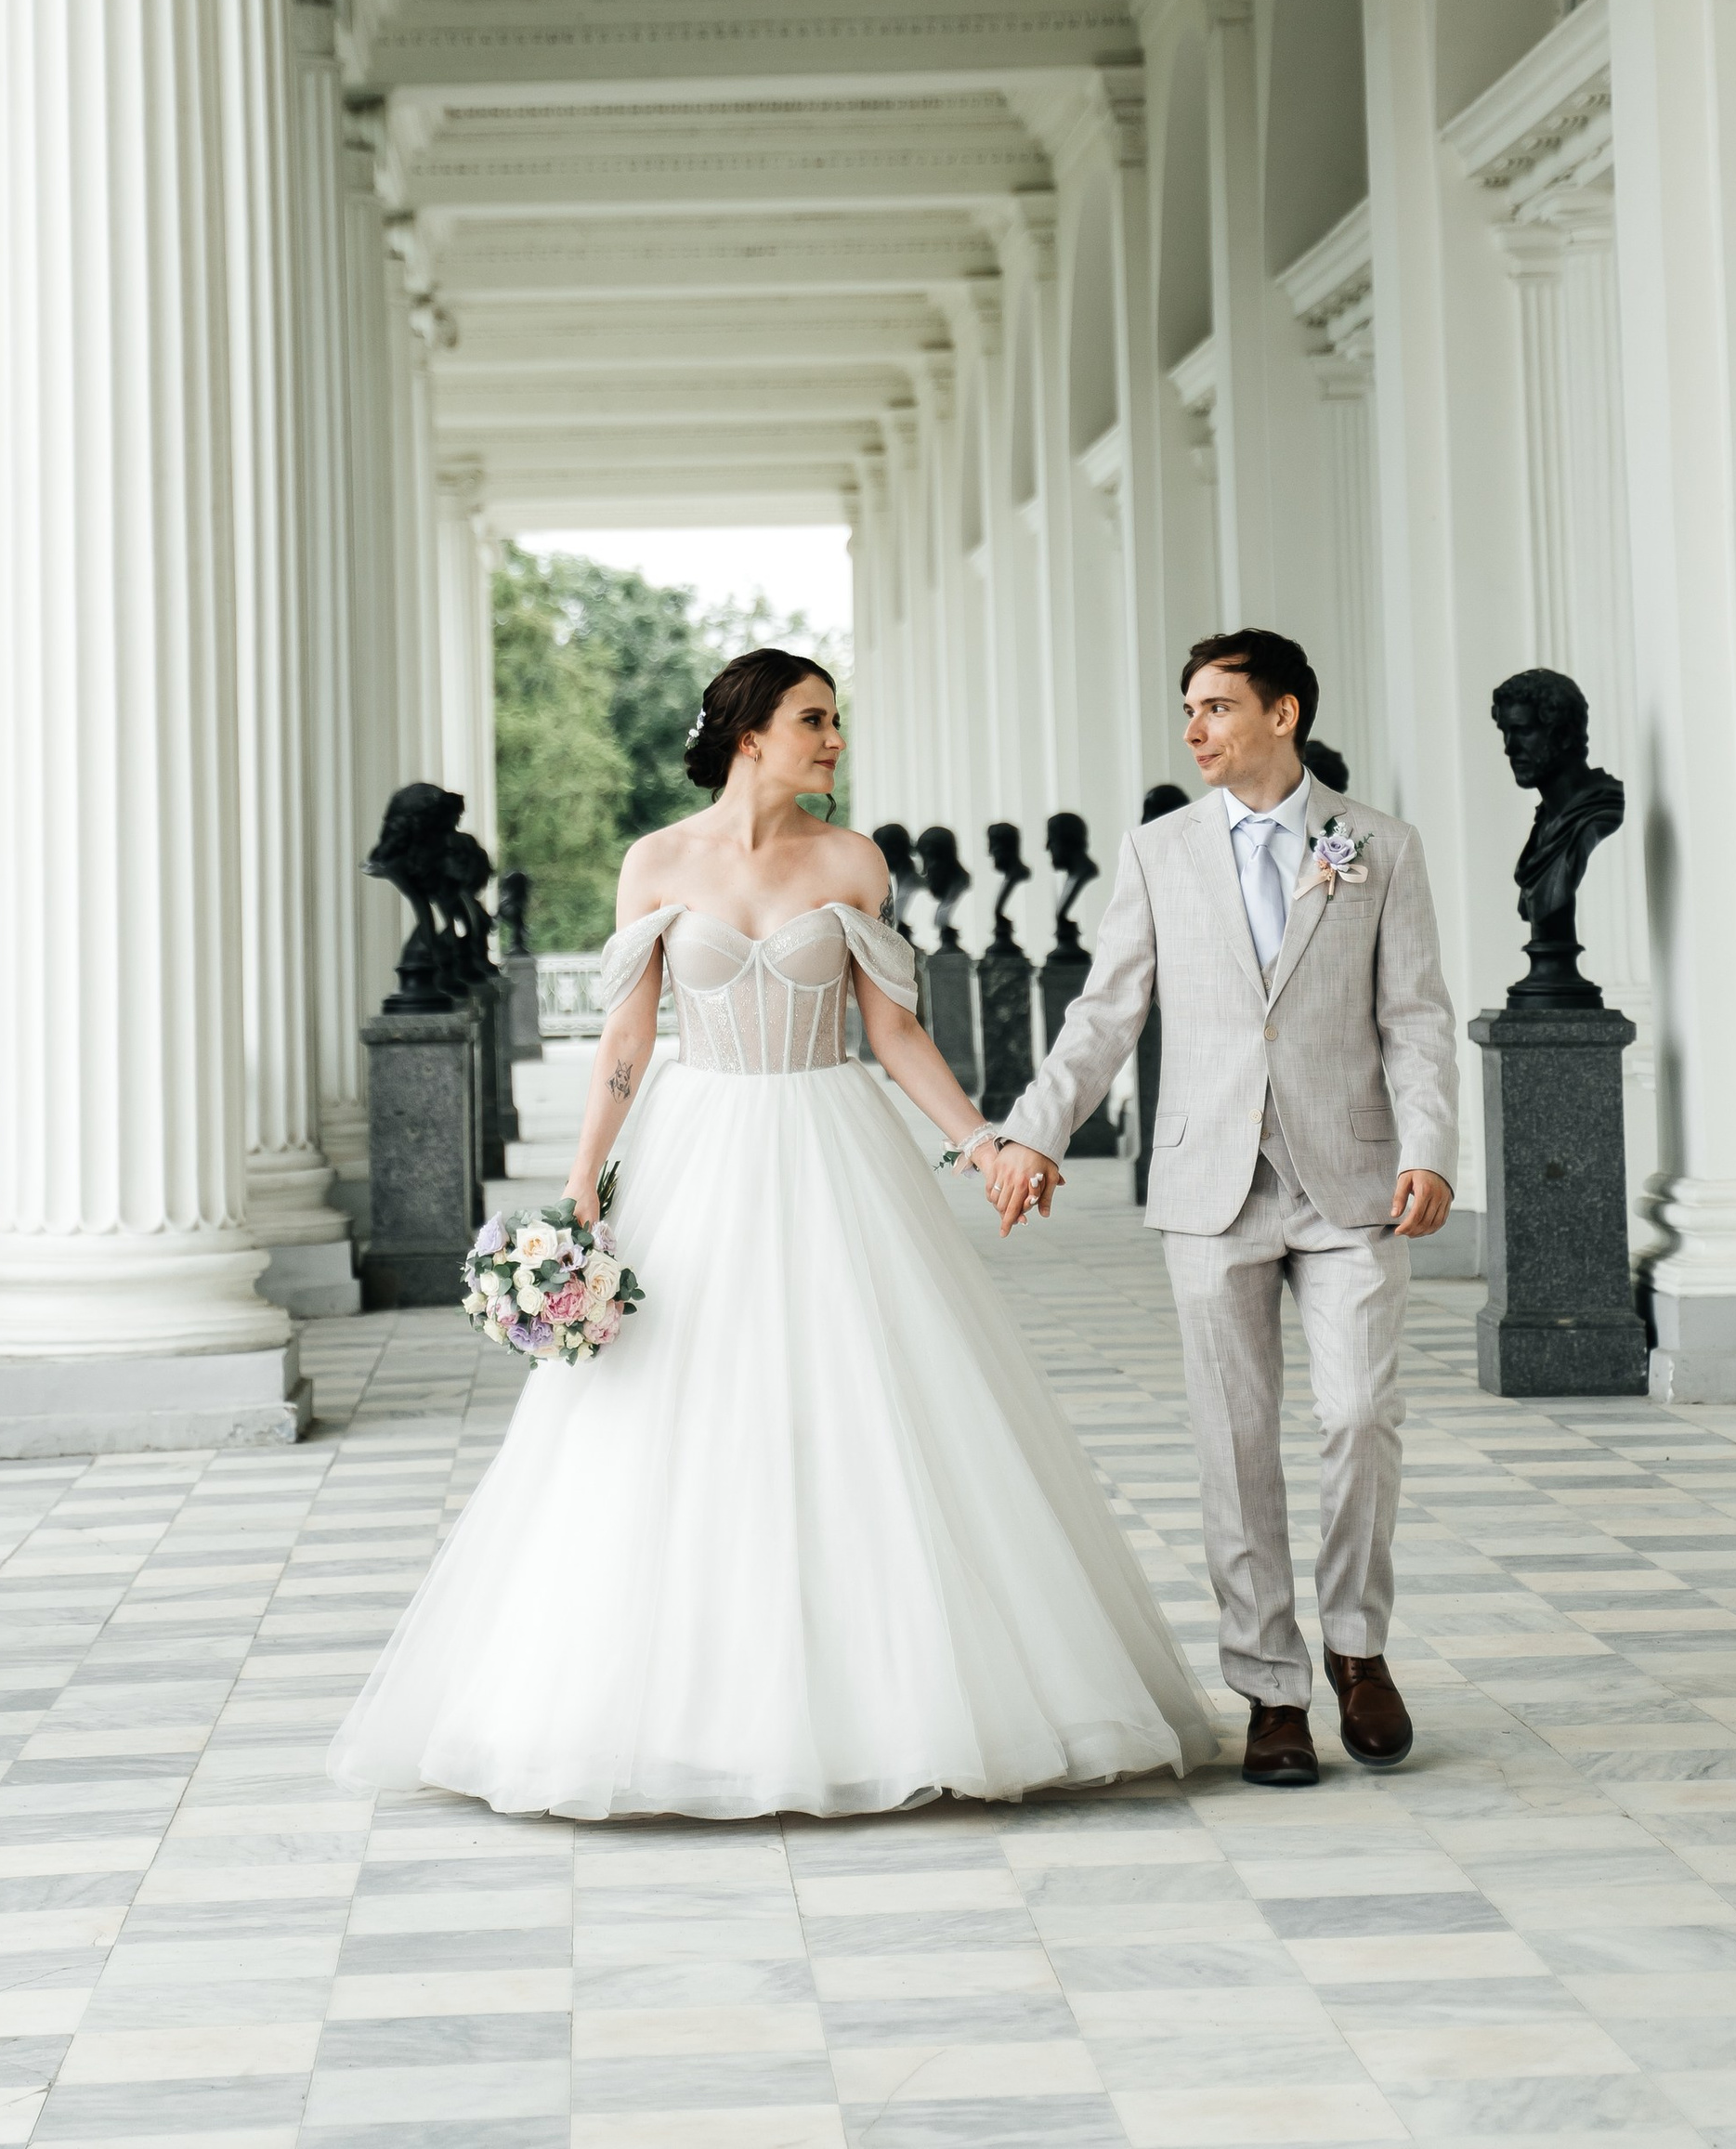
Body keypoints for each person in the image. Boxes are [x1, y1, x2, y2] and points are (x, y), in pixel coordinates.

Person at [329, 646, 1218, 1820]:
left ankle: (896, 1703)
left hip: (830, 1141)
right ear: (749, 731)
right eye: (815, 721)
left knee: (865, 1403)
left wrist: (983, 1140)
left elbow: (893, 1033)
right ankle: (674, 1715)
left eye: (835, 722)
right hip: (699, 1146)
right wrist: (584, 1181)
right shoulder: (655, 862)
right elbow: (627, 1041)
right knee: (677, 1412)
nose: (833, 741)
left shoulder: (852, 862)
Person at [989, 630, 1457, 1791]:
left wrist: (1433, 1150)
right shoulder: (1158, 853)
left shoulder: (1377, 846)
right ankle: (1270, 1691)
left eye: (1214, 707)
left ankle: (1358, 1650)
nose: (1193, 729)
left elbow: (1415, 1017)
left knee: (1359, 1415)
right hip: (1210, 1187)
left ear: (1282, 714)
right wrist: (1032, 1131)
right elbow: (1104, 1015)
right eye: (1186, 709)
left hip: (1351, 1182)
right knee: (1234, 1446)